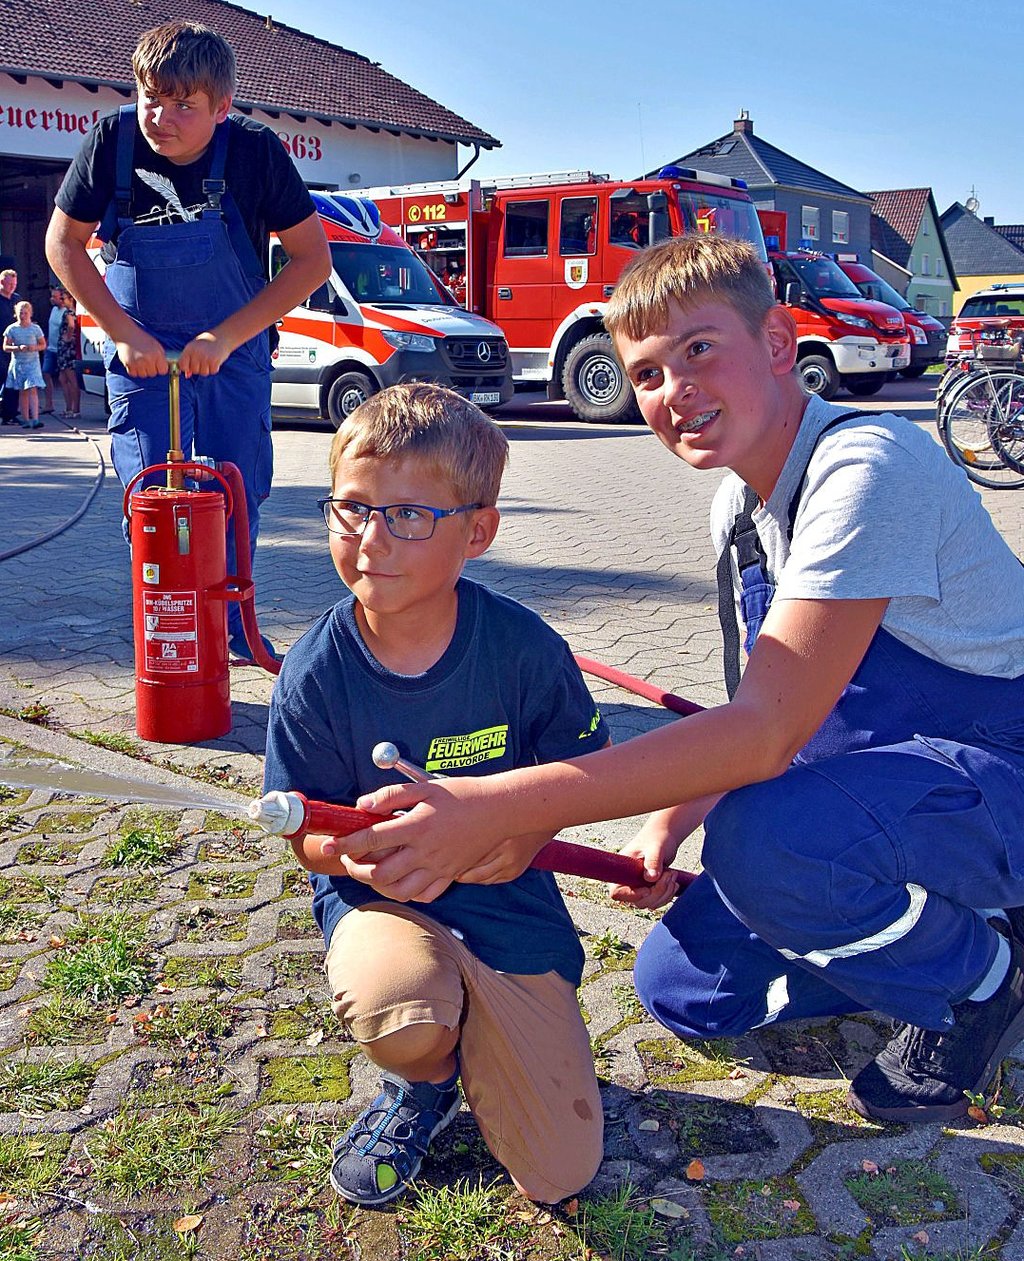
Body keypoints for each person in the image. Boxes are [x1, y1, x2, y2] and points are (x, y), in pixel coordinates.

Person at [332, 234, 1024, 1128]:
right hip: (885, 793)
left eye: (699, 350)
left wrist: (501, 805)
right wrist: (673, 815)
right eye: (647, 373)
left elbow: (767, 734)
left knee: (768, 844)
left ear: (777, 341)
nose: (674, 393)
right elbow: (755, 709)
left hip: (996, 770)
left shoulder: (868, 468)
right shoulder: (736, 506)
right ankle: (911, 930)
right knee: (684, 987)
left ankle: (981, 977)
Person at [263, 382, 607, 1208]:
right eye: (351, 509)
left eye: (407, 515)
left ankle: (497, 1035)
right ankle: (421, 1081)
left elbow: (584, 776)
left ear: (478, 531)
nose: (370, 539)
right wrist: (346, 853)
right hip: (387, 908)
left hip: (507, 903)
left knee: (562, 1174)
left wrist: (523, 835)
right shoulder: (314, 671)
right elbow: (300, 828)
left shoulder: (525, 649)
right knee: (402, 1012)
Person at [45, 19, 330, 660]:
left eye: (183, 105)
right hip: (141, 353)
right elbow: (62, 245)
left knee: (235, 486)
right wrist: (122, 335)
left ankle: (233, 629)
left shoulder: (257, 153)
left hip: (233, 351)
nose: (160, 117)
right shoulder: (112, 141)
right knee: (152, 492)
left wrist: (226, 337)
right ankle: (168, 627)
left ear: (221, 108)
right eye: (151, 96)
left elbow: (313, 262)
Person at [3, 301, 46, 429]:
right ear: (16, 314)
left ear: (30, 313)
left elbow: (43, 345)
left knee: (32, 389)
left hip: (32, 363)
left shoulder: (35, 329)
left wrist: (35, 347)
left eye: (25, 313)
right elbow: (5, 346)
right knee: (23, 391)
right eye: (20, 313)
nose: (23, 315)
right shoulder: (12, 329)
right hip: (19, 363)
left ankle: (36, 419)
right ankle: (26, 419)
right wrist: (17, 348)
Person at [0, 269, 22, 425]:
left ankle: (10, 413)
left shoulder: (17, 300)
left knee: (13, 378)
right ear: (2, 282)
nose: (12, 287)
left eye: (14, 284)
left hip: (13, 346)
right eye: (10, 284)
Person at [41, 286, 67, 415]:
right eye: (52, 296)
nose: (52, 299)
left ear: (62, 298)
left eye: (55, 297)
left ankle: (69, 407)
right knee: (46, 373)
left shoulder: (66, 312)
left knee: (64, 378)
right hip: (50, 348)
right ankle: (48, 403)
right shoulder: (53, 310)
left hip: (62, 349)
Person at [57, 289, 82, 420]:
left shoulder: (69, 313)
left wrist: (66, 338)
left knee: (71, 380)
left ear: (70, 299)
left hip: (68, 349)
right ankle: (69, 408)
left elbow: (71, 326)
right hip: (64, 349)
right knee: (63, 379)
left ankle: (75, 409)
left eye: (63, 298)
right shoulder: (68, 312)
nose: (62, 301)